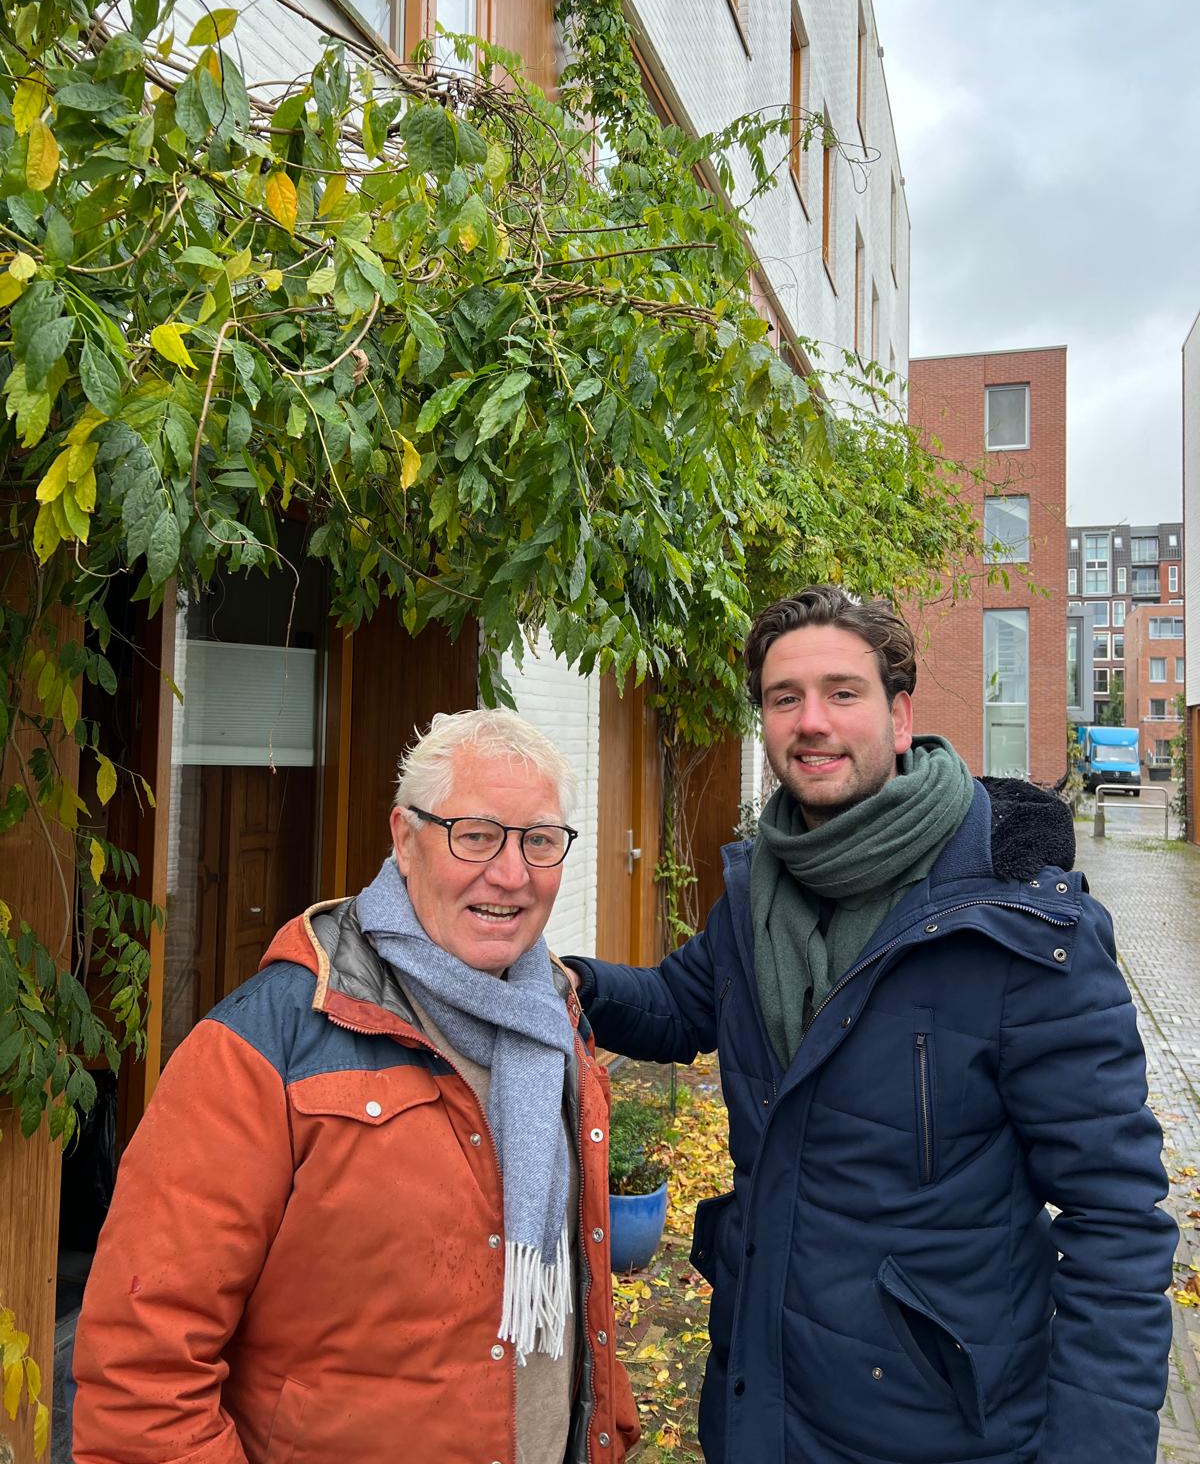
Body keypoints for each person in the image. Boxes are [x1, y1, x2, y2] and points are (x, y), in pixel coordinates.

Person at [564, 586, 1176, 1464]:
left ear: (899, 717)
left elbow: (1116, 1221)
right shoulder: (757, 893)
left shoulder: (1020, 926)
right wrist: (558, 982)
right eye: (785, 697)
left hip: (940, 1427)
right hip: (763, 1399)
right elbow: (680, 1004)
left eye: (842, 693)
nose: (812, 720)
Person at [73, 708, 639, 1464]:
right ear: (404, 840)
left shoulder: (552, 1023)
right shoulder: (266, 1042)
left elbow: (572, 1290)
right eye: (474, 835)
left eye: (539, 841)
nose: (510, 874)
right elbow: (141, 1375)